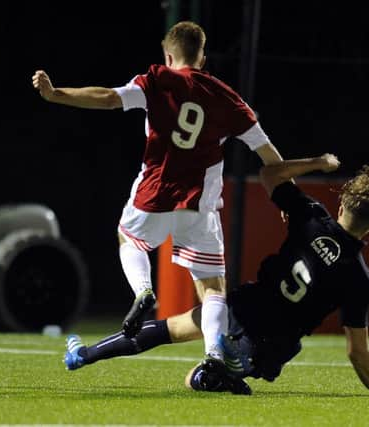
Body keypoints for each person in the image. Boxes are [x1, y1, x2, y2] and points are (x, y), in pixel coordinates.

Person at [63, 153, 369, 398]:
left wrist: (317, 163)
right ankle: (221, 372)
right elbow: (357, 352)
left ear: (342, 206)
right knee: (195, 380)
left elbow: (270, 173)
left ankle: (86, 354)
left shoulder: (311, 216)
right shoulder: (360, 279)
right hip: (271, 343)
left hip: (246, 305)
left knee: (170, 328)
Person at [32, 21, 283, 366]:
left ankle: (143, 290)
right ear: (202, 57)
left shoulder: (157, 80)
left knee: (129, 239)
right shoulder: (228, 99)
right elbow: (269, 156)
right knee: (213, 289)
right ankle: (213, 358)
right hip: (200, 205)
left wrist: (56, 93)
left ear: (168, 54)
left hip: (155, 193)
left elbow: (108, 98)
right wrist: (287, 198)